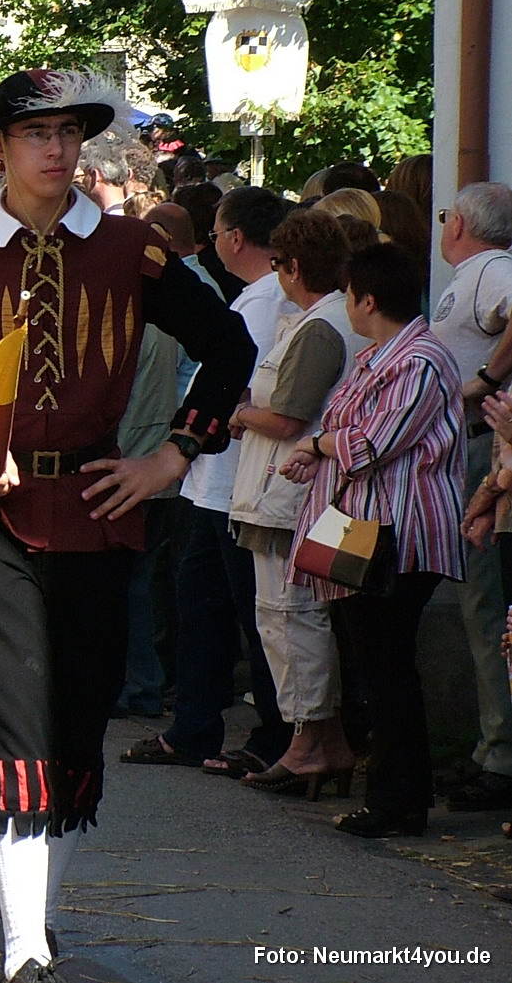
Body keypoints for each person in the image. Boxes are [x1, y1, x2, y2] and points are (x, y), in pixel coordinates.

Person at [0, 68, 254, 983]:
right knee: (9, 723)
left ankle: (37, 925)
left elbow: (231, 347)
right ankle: (22, 946)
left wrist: (172, 455)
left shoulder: (133, 250)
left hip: (99, 513)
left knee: (76, 725)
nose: (55, 149)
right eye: (34, 133)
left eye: (67, 133)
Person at [279, 243, 466, 837]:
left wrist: (318, 446)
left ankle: (398, 800)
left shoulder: (419, 360)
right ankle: (393, 791)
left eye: (350, 296)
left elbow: (368, 444)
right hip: (361, 527)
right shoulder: (382, 354)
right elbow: (346, 432)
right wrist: (323, 450)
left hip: (398, 534)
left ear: (368, 300)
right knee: (374, 661)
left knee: (386, 666)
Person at [122, 187, 295, 779]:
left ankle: (276, 734)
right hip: (212, 483)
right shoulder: (253, 298)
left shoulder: (267, 304)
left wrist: (196, 434)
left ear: (236, 238)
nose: (215, 241)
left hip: (235, 485)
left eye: (219, 231)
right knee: (204, 612)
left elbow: (253, 384)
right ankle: (193, 729)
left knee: (252, 615)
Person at [227, 209, 367, 797]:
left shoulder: (321, 326)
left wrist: (237, 414)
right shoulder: (327, 318)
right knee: (298, 618)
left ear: (294, 267)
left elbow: (288, 416)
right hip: (307, 494)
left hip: (292, 497)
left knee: (290, 617)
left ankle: (312, 739)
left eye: (282, 265)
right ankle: (319, 738)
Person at [428, 181, 512, 812]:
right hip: (473, 446)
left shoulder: (493, 269)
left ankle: (501, 754)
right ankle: (493, 747)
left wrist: (485, 377)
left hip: (485, 444)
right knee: (477, 603)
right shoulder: (480, 273)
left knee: (485, 604)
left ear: (460, 223)